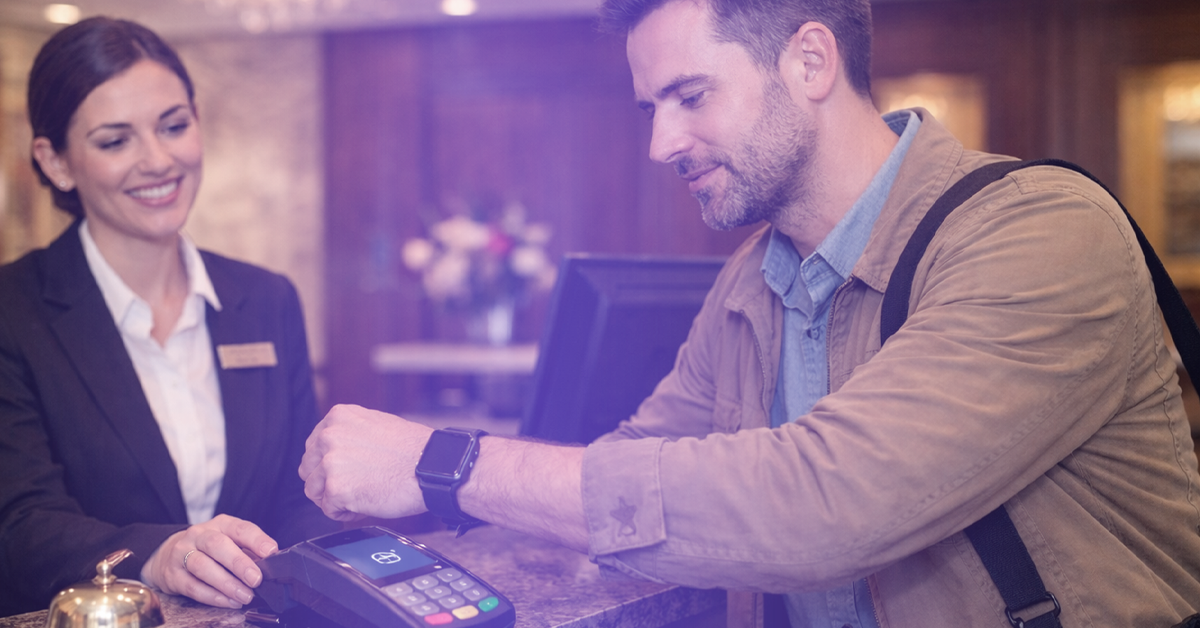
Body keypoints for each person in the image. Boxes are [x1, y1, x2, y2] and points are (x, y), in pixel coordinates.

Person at [299, 0, 1200, 625]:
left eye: (691, 97)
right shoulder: (748, 281)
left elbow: (828, 504)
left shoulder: (1039, 231)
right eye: (652, 108)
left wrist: (444, 463)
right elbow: (636, 467)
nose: (661, 142)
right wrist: (410, 508)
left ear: (810, 60)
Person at [0, 17, 335, 616]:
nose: (158, 160)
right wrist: (156, 554)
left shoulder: (266, 299)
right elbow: (20, 525)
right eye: (114, 140)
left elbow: (295, 493)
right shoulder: (13, 310)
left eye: (173, 126)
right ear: (55, 163)